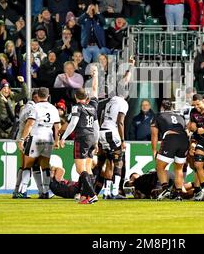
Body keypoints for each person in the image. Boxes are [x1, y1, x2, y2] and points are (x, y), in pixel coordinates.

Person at [59, 66, 100, 204]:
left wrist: (63, 137)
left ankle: (92, 194)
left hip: (81, 138)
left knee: (79, 169)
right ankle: (84, 196)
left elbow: (73, 123)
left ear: (76, 97)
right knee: (88, 169)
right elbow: (96, 126)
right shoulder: (93, 107)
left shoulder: (77, 107)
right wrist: (96, 141)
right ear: (87, 97)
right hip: (91, 138)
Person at [16, 87, 61, 199]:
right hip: (48, 138)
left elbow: (30, 123)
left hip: (36, 137)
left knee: (28, 165)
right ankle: (45, 192)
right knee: (45, 166)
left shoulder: (35, 107)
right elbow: (57, 126)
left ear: (38, 96)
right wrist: (57, 140)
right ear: (48, 96)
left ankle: (22, 190)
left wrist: (22, 139)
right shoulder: (53, 108)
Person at [152, 100, 189, 201]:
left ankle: (165, 189)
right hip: (184, 140)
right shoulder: (180, 117)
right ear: (172, 107)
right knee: (178, 169)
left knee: (160, 167)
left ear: (162, 108)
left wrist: (154, 150)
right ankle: (178, 194)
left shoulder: (158, 116)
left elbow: (154, 134)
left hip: (171, 138)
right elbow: (186, 131)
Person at [97, 93, 129, 199]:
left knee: (109, 162)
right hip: (112, 132)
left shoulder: (109, 102)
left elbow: (102, 117)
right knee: (118, 162)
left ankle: (106, 192)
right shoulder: (123, 102)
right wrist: (123, 140)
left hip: (102, 130)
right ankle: (115, 191)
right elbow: (120, 122)